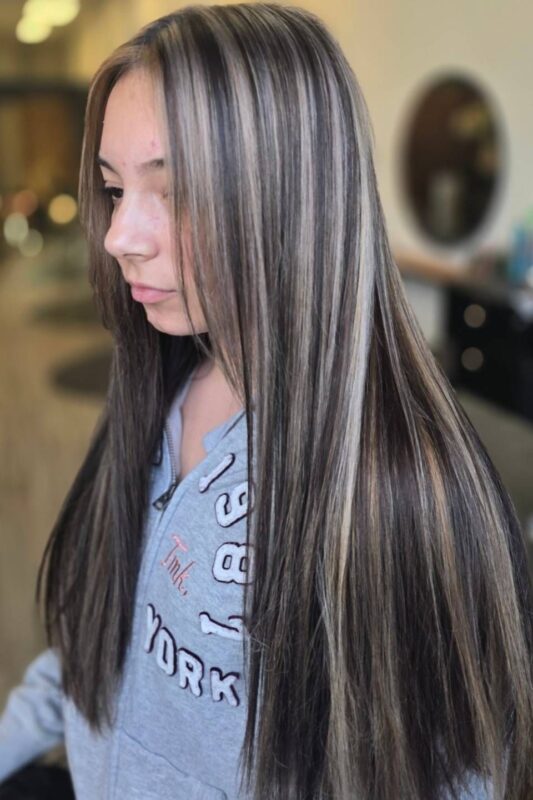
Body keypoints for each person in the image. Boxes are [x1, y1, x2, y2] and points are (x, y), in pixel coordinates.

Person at [1, 4, 532, 799]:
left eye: (172, 192)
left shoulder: (392, 489)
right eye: (114, 190)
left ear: (291, 196)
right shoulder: (157, 391)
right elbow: (96, 644)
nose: (118, 236)